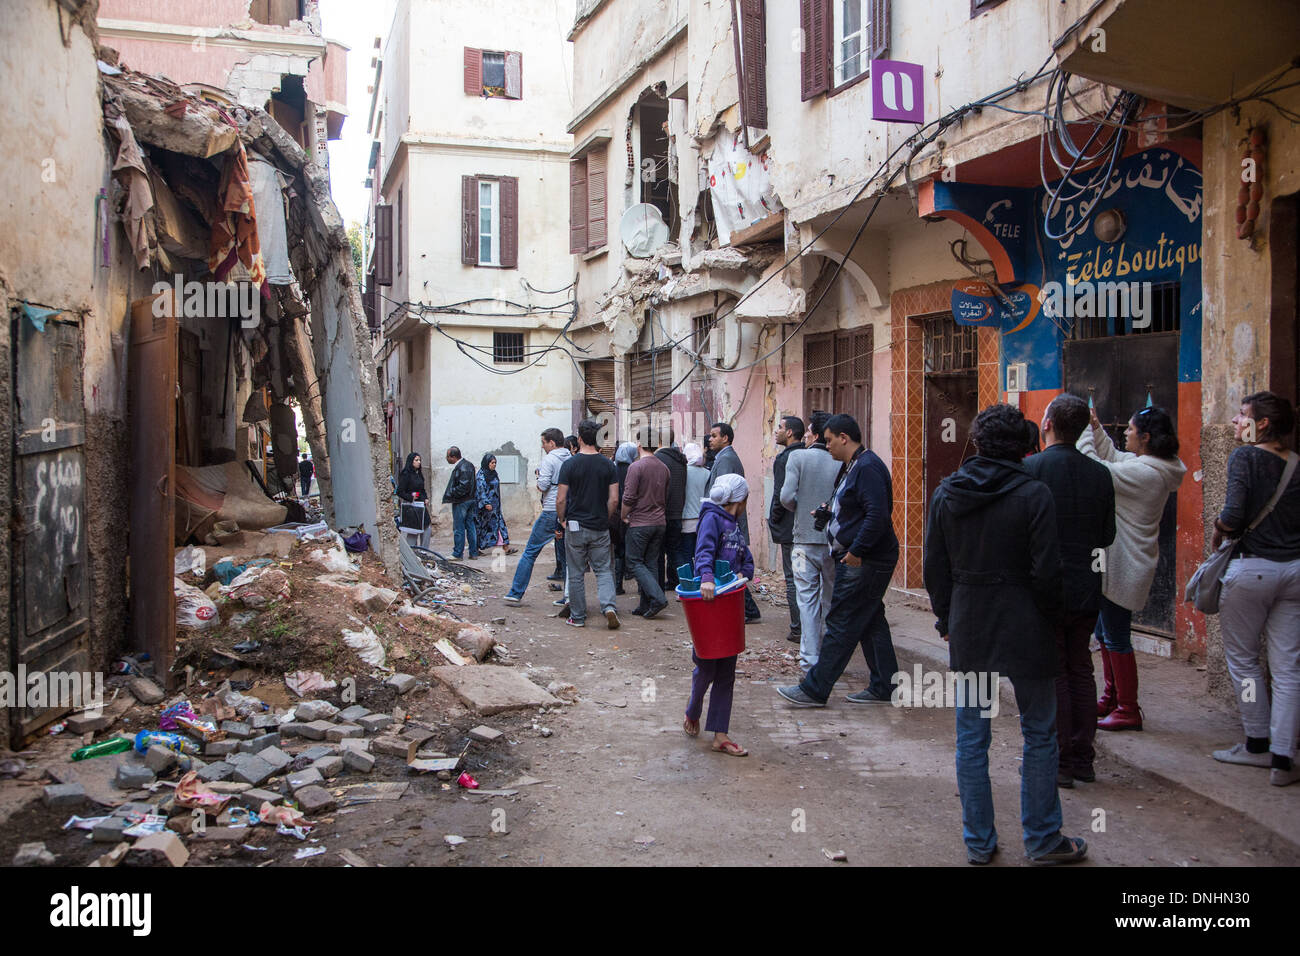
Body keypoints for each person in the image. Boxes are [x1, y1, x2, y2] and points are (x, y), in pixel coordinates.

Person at [923, 403, 1086, 865]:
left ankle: (979, 842)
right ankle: (1042, 839)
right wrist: (1050, 618)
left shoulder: (947, 494)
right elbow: (1047, 572)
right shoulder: (1035, 494)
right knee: (1039, 732)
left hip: (972, 624)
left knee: (972, 737)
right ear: (1023, 445)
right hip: (1028, 626)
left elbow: (935, 568)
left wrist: (946, 618)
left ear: (976, 442)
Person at [1023, 394, 1116, 787]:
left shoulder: (1032, 469)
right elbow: (1107, 534)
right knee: (1081, 666)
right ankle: (1083, 757)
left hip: (1046, 585)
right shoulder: (1100, 474)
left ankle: (1060, 759)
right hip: (1086, 585)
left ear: (1047, 425)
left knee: (1056, 669)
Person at [776, 414, 898, 707]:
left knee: (842, 620)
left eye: (829, 440)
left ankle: (815, 688)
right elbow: (858, 511)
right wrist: (830, 515)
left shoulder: (867, 467)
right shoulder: (854, 466)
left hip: (865, 558)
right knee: (870, 619)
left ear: (844, 437)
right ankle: (885, 685)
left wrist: (856, 551)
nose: (825, 445)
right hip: (863, 554)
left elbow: (877, 516)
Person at [1078, 404, 1186, 731]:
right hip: (1121, 562)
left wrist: (1081, 429)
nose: (1125, 432)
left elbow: (1093, 468)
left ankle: (1128, 707)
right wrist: (1096, 428)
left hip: (1125, 565)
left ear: (1146, 436)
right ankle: (1112, 697)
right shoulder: (1150, 466)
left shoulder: (1146, 474)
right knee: (1105, 632)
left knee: (1117, 637)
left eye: (1131, 429)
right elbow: (1111, 455)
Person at [1210, 392, 1300, 787]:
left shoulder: (1244, 458)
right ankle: (1283, 759)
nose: (1234, 421)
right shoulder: (1297, 465)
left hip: (1251, 571)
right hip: (1295, 571)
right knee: (1288, 668)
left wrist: (1219, 527)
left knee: (1245, 663)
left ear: (1261, 423)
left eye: (1242, 415)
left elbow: (1232, 515)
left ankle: (1256, 742)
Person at [684, 473, 754, 758]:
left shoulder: (735, 526)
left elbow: (746, 558)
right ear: (741, 499)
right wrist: (707, 578)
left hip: (730, 603)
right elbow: (704, 550)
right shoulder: (711, 518)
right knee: (706, 667)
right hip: (709, 602)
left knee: (727, 671)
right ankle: (693, 709)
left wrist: (744, 573)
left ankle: (720, 735)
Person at [780, 411, 840, 673]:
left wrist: (802, 507)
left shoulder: (798, 457)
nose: (804, 438)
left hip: (803, 540)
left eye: (807, 433)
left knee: (806, 600)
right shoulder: (841, 461)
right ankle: (829, 658)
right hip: (832, 542)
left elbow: (786, 497)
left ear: (815, 434)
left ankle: (809, 659)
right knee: (830, 599)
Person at [556, 419, 621, 629]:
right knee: (603, 570)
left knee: (575, 573)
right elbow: (614, 500)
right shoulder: (608, 465)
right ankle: (609, 607)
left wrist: (562, 519)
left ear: (580, 438)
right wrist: (606, 516)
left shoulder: (569, 464)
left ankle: (578, 616)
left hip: (574, 525)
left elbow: (561, 499)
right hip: (600, 526)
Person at [503, 429, 570, 606]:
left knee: (530, 552)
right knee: (569, 555)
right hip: (568, 510)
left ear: (552, 443)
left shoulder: (549, 459)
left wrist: (539, 477)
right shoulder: (570, 458)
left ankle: (516, 592)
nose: (542, 446)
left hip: (551, 509)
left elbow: (542, 485)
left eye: (544, 443)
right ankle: (569, 596)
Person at [706, 422, 761, 623]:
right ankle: (748, 609)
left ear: (725, 438)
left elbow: (724, 495)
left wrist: (717, 522)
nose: (710, 439)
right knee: (728, 566)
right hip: (726, 521)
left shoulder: (726, 460)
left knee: (727, 566)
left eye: (714, 436)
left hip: (725, 522)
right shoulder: (723, 458)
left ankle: (748, 609)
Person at [622, 430, 671, 619]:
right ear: (658, 444)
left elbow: (629, 496)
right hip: (659, 521)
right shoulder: (664, 468)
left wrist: (624, 516)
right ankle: (646, 604)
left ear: (639, 444)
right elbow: (666, 495)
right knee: (651, 563)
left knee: (633, 562)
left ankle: (658, 598)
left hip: (640, 522)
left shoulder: (636, 467)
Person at [769, 415, 805, 645]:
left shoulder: (785, 458)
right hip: (806, 528)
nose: (777, 432)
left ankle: (798, 628)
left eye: (780, 428)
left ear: (790, 433)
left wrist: (773, 519)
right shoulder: (807, 455)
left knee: (792, 578)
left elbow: (780, 495)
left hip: (789, 527)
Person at [655, 435, 688, 590]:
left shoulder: (658, 459)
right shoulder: (681, 460)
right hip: (677, 512)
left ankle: (659, 587)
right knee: (675, 550)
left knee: (658, 553)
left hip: (662, 513)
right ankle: (685, 583)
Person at [442, 446, 481, 559]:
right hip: (470, 500)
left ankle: (458, 553)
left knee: (459, 527)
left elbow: (463, 486)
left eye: (448, 456)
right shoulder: (468, 465)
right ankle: (473, 552)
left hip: (462, 501)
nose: (447, 458)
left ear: (453, 457)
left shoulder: (462, 467)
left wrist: (452, 492)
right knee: (470, 526)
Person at [613, 441, 639, 595]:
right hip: (631, 514)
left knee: (618, 549)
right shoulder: (634, 469)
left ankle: (617, 584)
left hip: (616, 515)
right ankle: (632, 575)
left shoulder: (613, 469)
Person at [475, 454, 513, 554]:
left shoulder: (494, 473)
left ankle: (506, 547)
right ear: (486, 463)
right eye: (492, 463)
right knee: (484, 527)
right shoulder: (481, 475)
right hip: (486, 508)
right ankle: (476, 547)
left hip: (495, 507)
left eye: (495, 463)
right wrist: (486, 503)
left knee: (500, 525)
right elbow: (480, 490)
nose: (494, 465)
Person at [680, 442, 710, 563]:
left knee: (687, 554)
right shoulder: (708, 473)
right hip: (704, 520)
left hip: (686, 521)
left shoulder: (683, 472)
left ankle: (690, 580)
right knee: (701, 554)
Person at [395, 452, 431, 549]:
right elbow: (400, 491)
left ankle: (424, 551)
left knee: (427, 527)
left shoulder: (418, 474)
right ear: (411, 461)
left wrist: (425, 498)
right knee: (413, 531)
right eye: (416, 460)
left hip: (420, 505)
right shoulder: (406, 474)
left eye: (419, 460)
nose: (419, 462)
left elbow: (421, 489)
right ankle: (412, 553)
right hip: (411, 506)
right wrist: (410, 497)